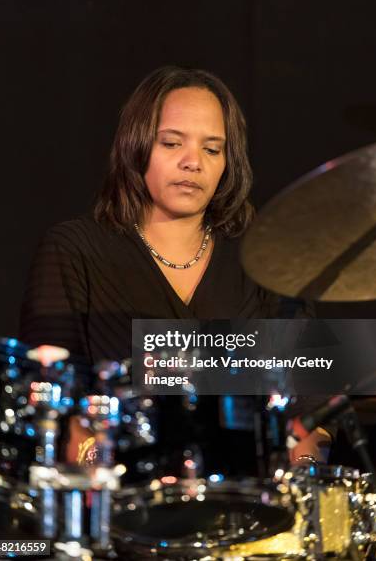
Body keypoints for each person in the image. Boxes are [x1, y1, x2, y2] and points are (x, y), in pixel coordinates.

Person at [20, 66, 331, 467]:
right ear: (137, 147)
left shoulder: (265, 259)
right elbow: (50, 401)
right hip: (121, 504)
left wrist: (299, 479)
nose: (193, 163)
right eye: (171, 143)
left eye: (213, 149)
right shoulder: (75, 249)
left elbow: (311, 408)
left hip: (248, 505)